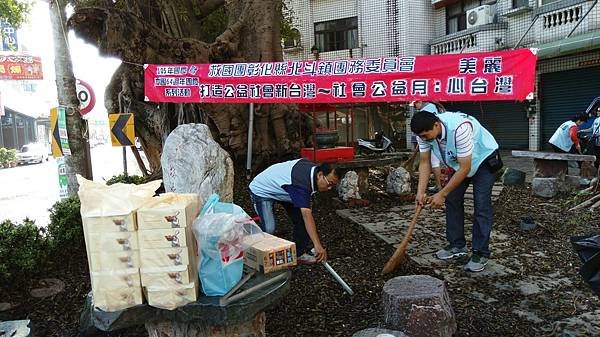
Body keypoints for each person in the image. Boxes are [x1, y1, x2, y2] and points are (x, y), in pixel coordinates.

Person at [411, 111, 502, 272]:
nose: (424, 139)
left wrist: (442, 193)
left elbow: (466, 167)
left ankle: (480, 253)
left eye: (426, 135)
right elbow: (424, 162)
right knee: (453, 199)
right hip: (459, 163)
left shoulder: (460, 128)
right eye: (422, 137)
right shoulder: (423, 133)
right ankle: (457, 245)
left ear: (436, 125)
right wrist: (420, 191)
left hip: (483, 159)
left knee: (481, 205)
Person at [249, 159, 339, 264]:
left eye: (332, 186)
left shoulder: (311, 172)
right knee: (269, 228)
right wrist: (317, 245)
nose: (329, 188)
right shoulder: (301, 184)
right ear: (320, 175)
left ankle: (298, 253)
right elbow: (307, 214)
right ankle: (251, 249)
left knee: (301, 220)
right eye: (329, 184)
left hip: (285, 190)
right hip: (262, 190)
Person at [413, 101, 446, 193]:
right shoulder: (433, 107)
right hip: (434, 138)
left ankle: (439, 186)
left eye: (415, 104)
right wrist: (420, 193)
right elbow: (424, 163)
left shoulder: (425, 111)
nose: (415, 107)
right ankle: (440, 186)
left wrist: (442, 194)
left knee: (434, 162)